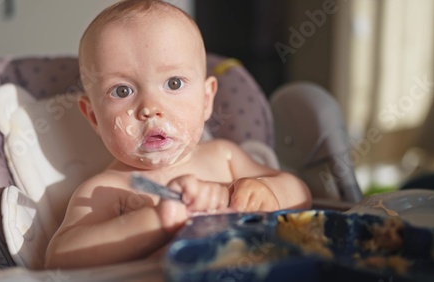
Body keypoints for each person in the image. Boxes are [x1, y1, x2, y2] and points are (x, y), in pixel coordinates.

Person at [45, 0, 311, 269]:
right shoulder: (110, 189)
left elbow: (301, 193)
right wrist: (155, 221)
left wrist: (269, 192)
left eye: (173, 83)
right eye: (122, 91)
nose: (150, 108)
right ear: (93, 117)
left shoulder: (224, 157)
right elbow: (59, 257)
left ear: (206, 100)